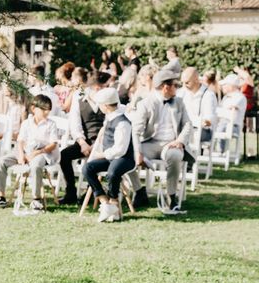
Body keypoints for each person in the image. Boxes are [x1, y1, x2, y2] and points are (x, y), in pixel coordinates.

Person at [57, 71, 138, 206]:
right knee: (64, 155)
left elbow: (121, 115)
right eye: (102, 87)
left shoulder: (110, 102)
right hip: (86, 141)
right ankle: (70, 191)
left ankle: (91, 192)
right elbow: (75, 125)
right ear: (95, 87)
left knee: (95, 163)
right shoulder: (80, 99)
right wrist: (82, 142)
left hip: (104, 143)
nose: (105, 89)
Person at [132, 69, 194, 212]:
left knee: (175, 155)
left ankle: (171, 196)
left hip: (171, 144)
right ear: (166, 87)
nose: (177, 88)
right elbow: (136, 131)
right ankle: (139, 191)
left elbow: (187, 124)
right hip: (150, 142)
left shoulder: (179, 102)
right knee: (127, 155)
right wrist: (137, 152)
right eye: (175, 85)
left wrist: (180, 141)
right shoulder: (145, 104)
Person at [0, 94, 59, 211]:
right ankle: (0, 196)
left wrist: (37, 153)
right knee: (1, 161)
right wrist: (21, 155)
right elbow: (20, 141)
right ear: (33, 109)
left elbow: (53, 144)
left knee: (36, 165)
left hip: (43, 152)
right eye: (44, 109)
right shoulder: (27, 123)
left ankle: (36, 199)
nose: (47, 112)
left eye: (48, 110)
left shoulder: (51, 124)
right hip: (25, 150)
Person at [82, 87, 136, 223]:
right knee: (87, 168)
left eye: (100, 105)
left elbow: (121, 150)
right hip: (110, 157)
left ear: (105, 106)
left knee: (112, 172)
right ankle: (104, 201)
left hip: (125, 158)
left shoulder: (122, 122)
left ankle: (113, 201)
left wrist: (102, 154)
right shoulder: (111, 116)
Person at [178, 67, 217, 143]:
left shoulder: (208, 95)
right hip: (185, 128)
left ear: (196, 79)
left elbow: (208, 121)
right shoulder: (181, 92)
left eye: (187, 82)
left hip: (203, 131)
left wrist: (189, 121)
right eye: (182, 83)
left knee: (182, 134)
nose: (183, 86)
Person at [217, 74, 248, 152]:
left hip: (234, 126)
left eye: (225, 85)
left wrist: (220, 112)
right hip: (222, 123)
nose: (223, 87)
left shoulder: (240, 97)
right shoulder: (225, 97)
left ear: (231, 86)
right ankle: (209, 151)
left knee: (222, 127)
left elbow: (229, 110)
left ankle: (221, 151)